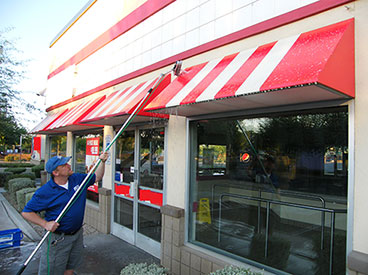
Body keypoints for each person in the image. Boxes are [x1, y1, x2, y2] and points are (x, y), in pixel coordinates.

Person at [22, 152, 108, 275]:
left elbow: (97, 177)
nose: (68, 165)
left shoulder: (76, 179)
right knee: (53, 270)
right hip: (58, 239)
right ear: (56, 173)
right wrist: (45, 224)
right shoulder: (46, 191)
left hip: (77, 234)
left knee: (70, 268)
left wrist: (103, 162)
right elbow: (26, 212)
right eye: (64, 165)